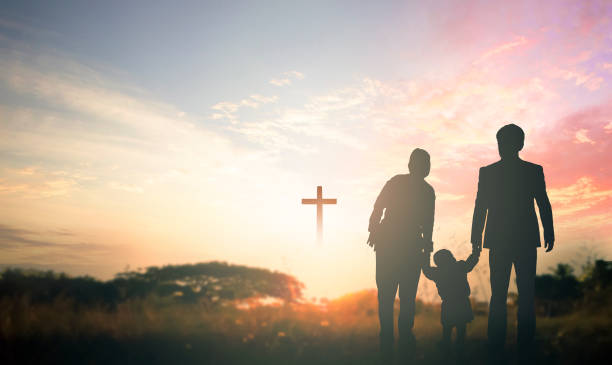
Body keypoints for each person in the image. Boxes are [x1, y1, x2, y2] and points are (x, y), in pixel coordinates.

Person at [471, 124, 555, 362]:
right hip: (516, 239)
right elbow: (481, 206)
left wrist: (549, 230)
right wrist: (476, 237)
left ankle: (509, 344)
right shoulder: (528, 171)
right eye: (500, 142)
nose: (502, 147)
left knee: (512, 293)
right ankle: (511, 344)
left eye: (504, 142)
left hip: (510, 239)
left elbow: (543, 202)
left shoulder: (495, 172)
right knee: (513, 293)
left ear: (518, 145)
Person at [368, 148, 435, 363]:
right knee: (402, 296)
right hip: (404, 246)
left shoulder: (400, 183)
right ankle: (401, 336)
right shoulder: (425, 190)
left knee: (390, 296)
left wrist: (374, 230)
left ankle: (391, 337)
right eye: (426, 163)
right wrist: (374, 230)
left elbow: (378, 206)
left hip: (395, 245)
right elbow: (429, 225)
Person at [422, 247, 480, 356]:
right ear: (451, 258)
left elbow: (426, 270)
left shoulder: (437, 272)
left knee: (447, 329)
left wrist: (426, 253)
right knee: (461, 328)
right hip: (462, 302)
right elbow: (470, 263)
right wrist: (476, 253)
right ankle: (460, 346)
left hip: (448, 304)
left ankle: (445, 344)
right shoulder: (460, 266)